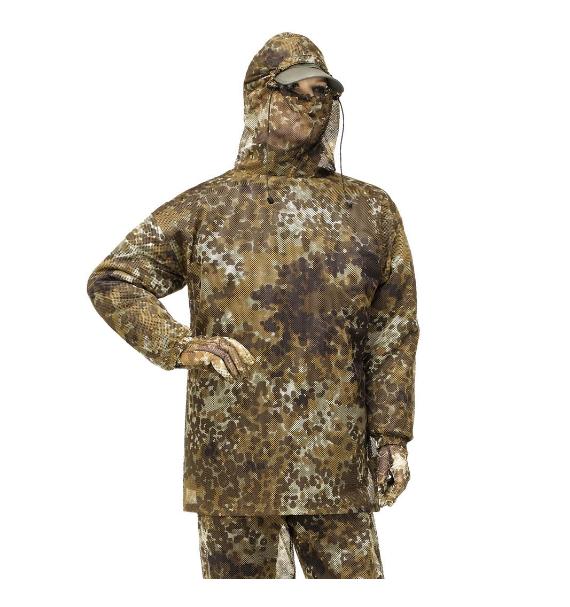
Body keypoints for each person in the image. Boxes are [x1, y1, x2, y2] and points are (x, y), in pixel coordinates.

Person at [87, 31, 420, 579]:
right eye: (295, 91)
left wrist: (392, 437)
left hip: (334, 463)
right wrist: (177, 345)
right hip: (232, 464)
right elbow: (115, 279)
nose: (311, 104)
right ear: (259, 96)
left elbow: (393, 330)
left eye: (322, 93)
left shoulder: (370, 211)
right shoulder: (209, 207)